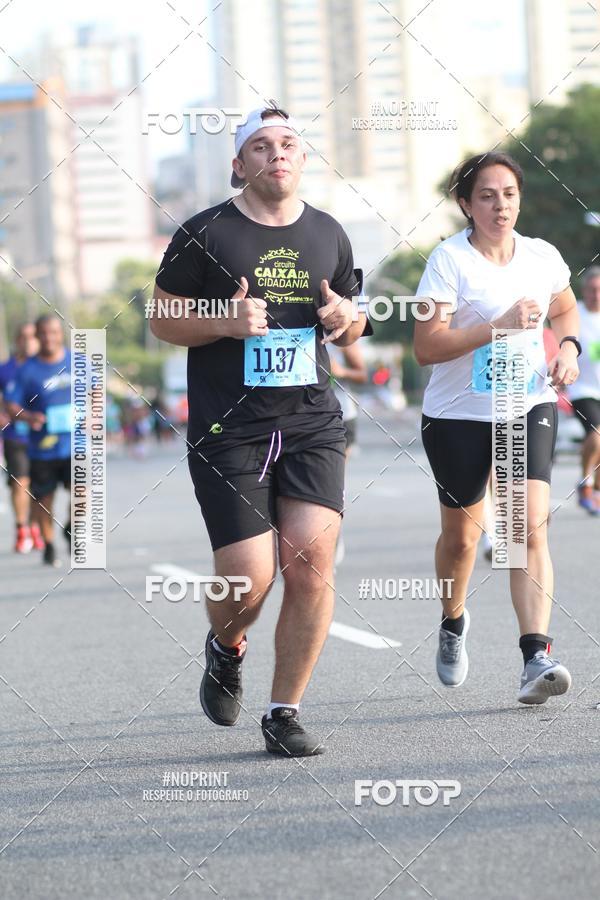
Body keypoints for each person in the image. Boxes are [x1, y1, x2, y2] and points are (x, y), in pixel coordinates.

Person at [151, 104, 372, 756]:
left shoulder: (330, 233)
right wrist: (224, 318)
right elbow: (162, 318)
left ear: (302, 160)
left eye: (289, 143)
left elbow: (356, 321)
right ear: (239, 164)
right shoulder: (204, 232)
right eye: (261, 145)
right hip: (230, 429)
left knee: (310, 563)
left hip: (310, 422)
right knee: (249, 579)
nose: (277, 153)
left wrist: (345, 319)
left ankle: (284, 711)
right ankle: (225, 645)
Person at [414, 151, 581, 705]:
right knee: (463, 539)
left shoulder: (541, 256)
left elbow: (565, 310)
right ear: (466, 204)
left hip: (524, 404)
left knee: (524, 529)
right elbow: (426, 346)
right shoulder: (448, 261)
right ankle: (453, 619)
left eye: (508, 193)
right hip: (457, 415)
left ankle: (536, 654)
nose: (499, 204)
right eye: (486, 195)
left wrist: (570, 350)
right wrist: (497, 327)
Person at [5, 314, 72, 566]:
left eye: (53, 332)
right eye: (41, 334)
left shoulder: (75, 361)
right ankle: (38, 535)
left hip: (71, 443)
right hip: (30, 443)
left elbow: (94, 389)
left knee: (81, 492)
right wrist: (26, 416)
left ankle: (68, 526)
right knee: (35, 492)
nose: (48, 338)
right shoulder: (21, 370)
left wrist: (92, 415)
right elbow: (10, 402)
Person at [0, 323, 43, 553]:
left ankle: (35, 526)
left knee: (39, 486)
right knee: (20, 482)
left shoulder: (44, 367)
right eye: (23, 337)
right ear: (17, 341)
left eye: (32, 337)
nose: (28, 341)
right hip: (15, 434)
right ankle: (21, 529)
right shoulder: (5, 369)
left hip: (42, 436)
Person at [328, 341, 368, 566]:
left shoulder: (340, 338)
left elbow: (362, 374)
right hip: (303, 414)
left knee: (332, 481)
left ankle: (332, 535)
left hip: (342, 416)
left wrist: (341, 371)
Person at [566, 266, 600, 515]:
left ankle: (596, 489)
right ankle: (586, 484)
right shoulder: (574, 313)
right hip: (581, 388)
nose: (595, 295)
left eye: (599, 291)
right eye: (591, 290)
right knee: (597, 435)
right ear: (584, 291)